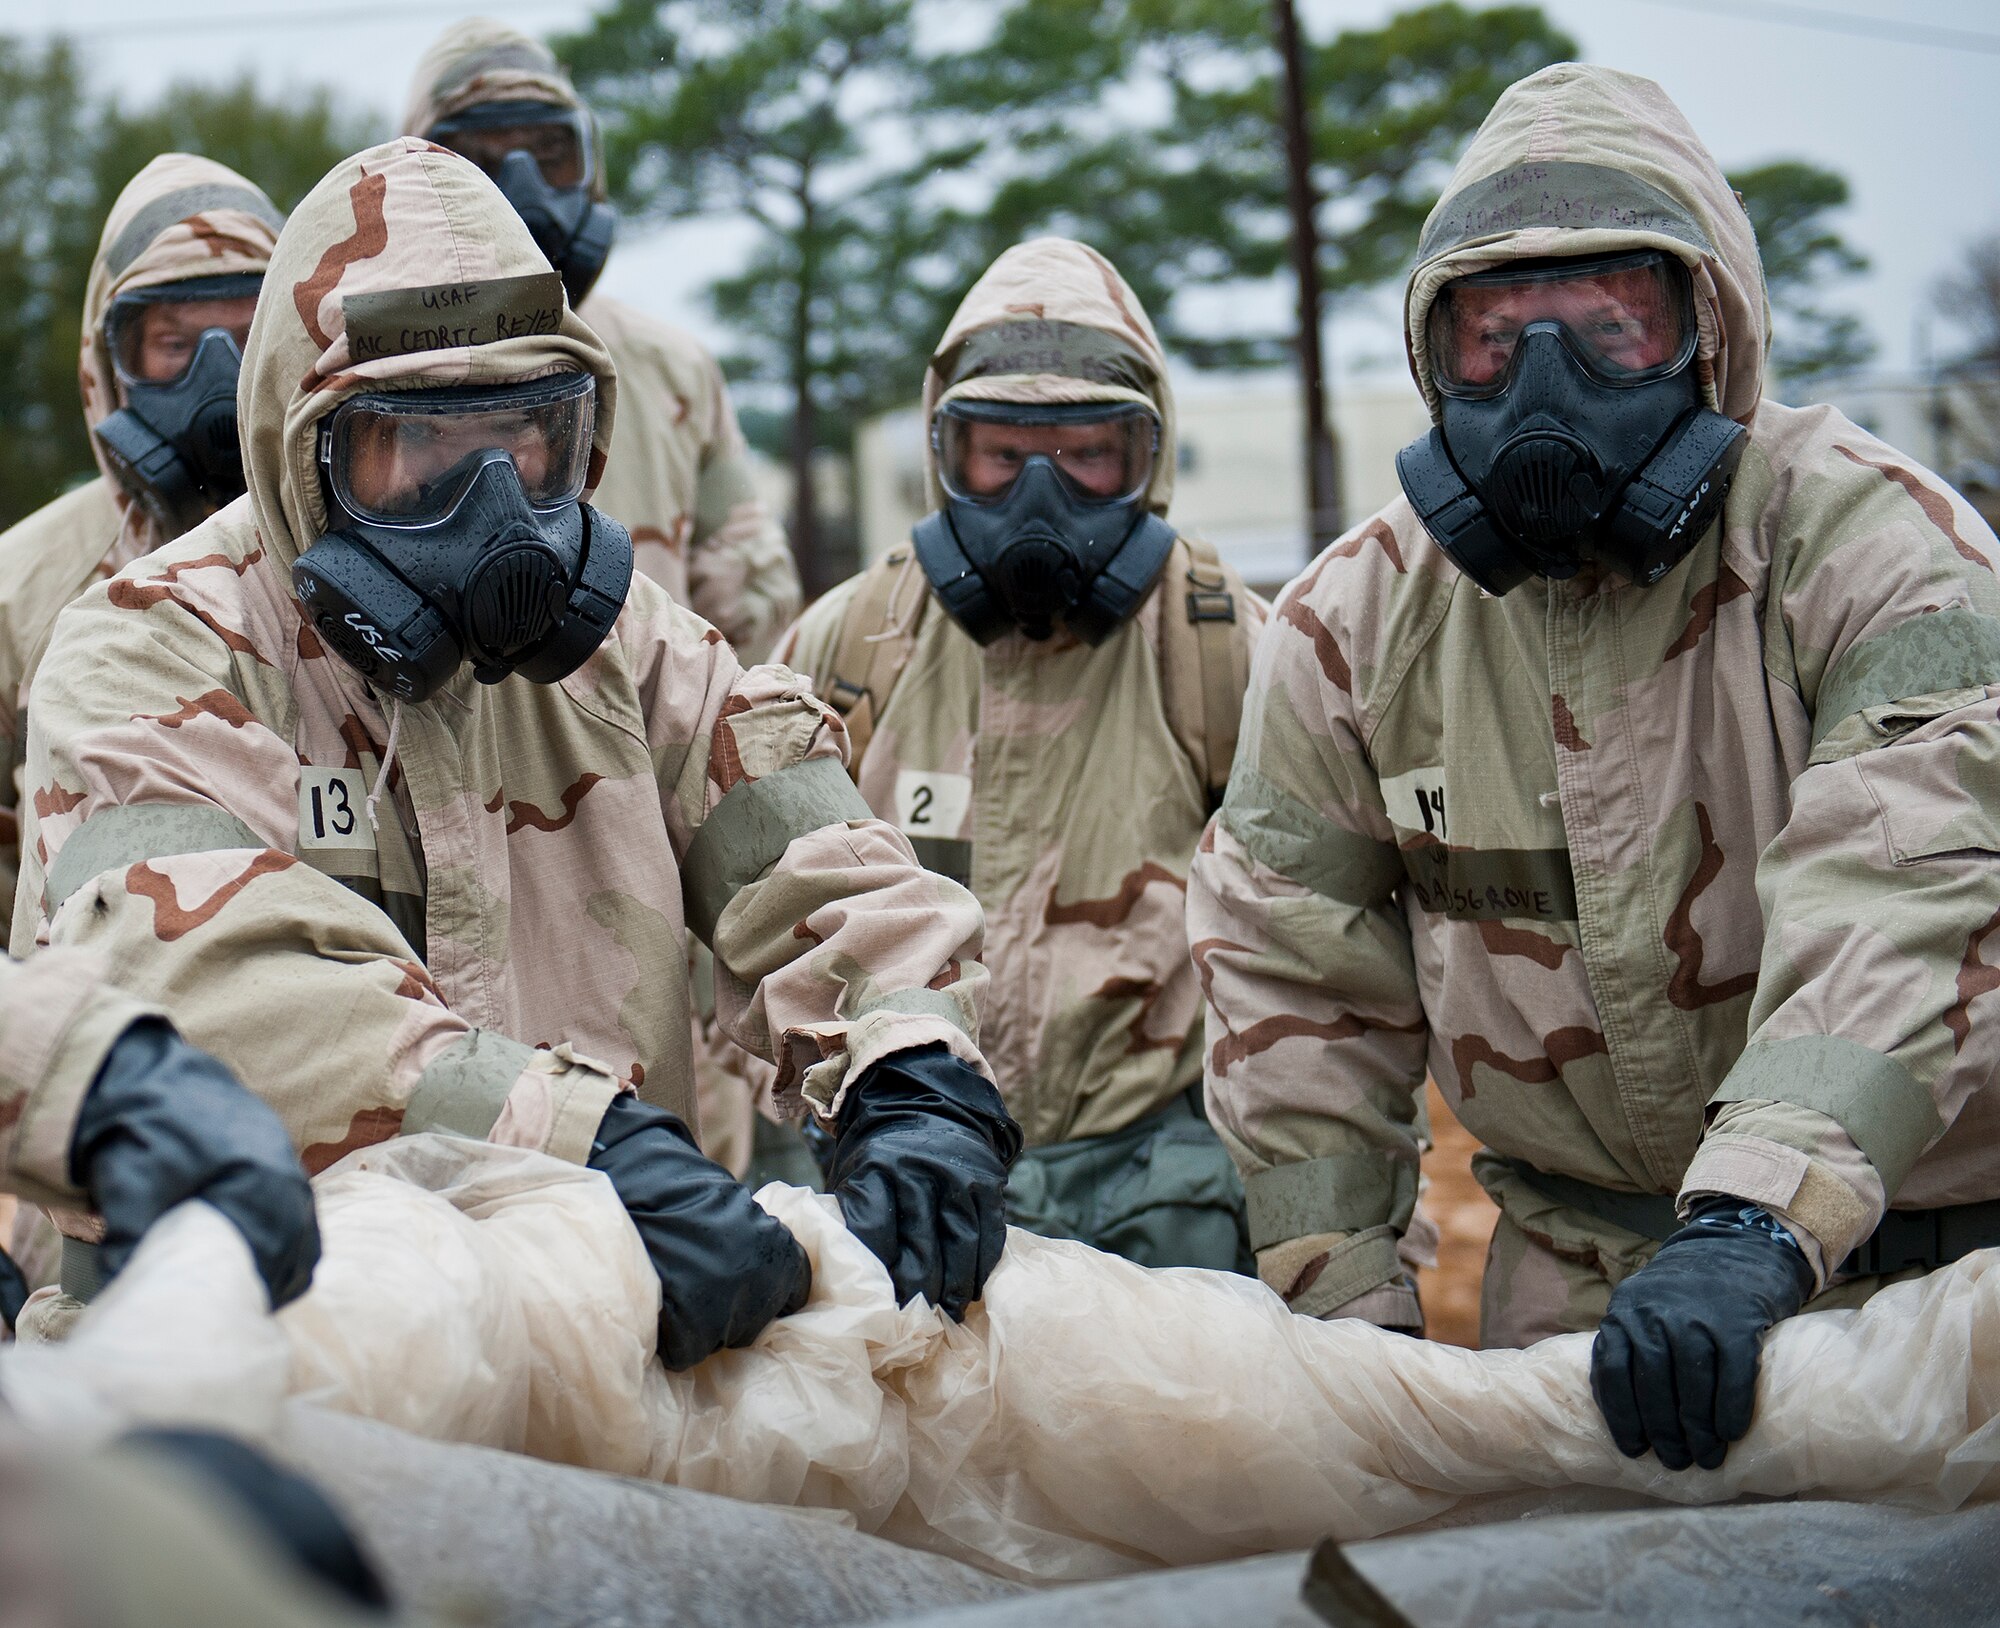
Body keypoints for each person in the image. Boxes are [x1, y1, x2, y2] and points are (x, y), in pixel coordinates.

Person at [16, 137, 1017, 1365]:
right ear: (304, 449)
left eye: (525, 440)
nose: (492, 507)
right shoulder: (150, 650)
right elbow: (215, 982)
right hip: (253, 1355)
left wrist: (910, 1071)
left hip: (611, 1329)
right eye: (421, 451)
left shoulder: (628, 646)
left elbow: (816, 856)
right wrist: (582, 1141)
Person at [1189, 61, 2000, 1472]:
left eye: (1610, 326)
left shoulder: (1880, 552)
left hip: (1929, 1302)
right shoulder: (1354, 621)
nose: (1547, 385)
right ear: (1435, 355)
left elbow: (1916, 890)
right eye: (1497, 339)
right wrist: (1351, 1326)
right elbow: (1287, 970)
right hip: (1571, 1316)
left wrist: (1759, 1217)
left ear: (1710, 332)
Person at [781, 238, 1264, 1272]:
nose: (1038, 499)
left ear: (1151, 457)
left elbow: (1317, 959)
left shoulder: (1222, 644)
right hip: (903, 1174)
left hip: (1154, 1185)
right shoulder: (852, 640)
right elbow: (757, 921)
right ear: (940, 453)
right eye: (998, 457)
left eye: (1090, 455)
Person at [402, 18, 800, 661]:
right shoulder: (360, 372)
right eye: (480, 160)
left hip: (648, 743)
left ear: (591, 170)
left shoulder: (675, 368)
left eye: (551, 156)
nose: (525, 194)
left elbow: (749, 618)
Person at [0, 155, 281, 942]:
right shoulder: (21, 591)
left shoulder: (372, 562)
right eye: (173, 344)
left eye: (249, 336)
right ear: (106, 366)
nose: (219, 377)